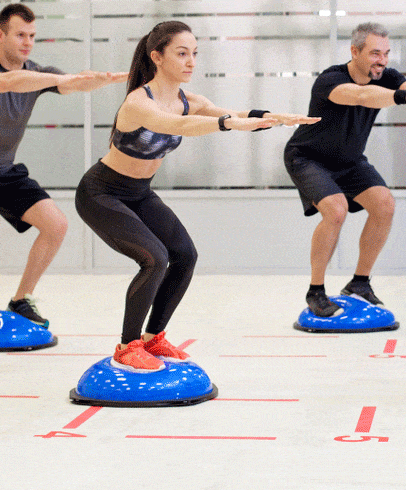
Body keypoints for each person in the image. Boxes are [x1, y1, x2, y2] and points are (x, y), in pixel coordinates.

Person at [75, 21, 317, 372]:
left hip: (139, 193)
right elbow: (181, 126)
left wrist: (273, 117)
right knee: (154, 258)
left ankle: (153, 338)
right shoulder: (138, 103)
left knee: (184, 256)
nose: (191, 61)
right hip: (101, 193)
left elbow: (233, 113)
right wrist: (228, 125)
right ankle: (127, 346)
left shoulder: (191, 100)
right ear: (157, 56)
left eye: (194, 54)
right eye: (182, 53)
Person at [0, 3, 127, 336]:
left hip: (5, 172)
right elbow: (11, 82)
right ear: (1, 35)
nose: (28, 42)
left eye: (32, 36)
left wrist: (107, 79)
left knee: (56, 225)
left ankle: (21, 298)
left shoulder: (39, 73)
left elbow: (71, 84)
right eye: (20, 35)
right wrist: (57, 78)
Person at [284, 22, 406, 317]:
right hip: (308, 157)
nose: (382, 61)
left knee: (384, 205)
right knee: (336, 210)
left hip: (349, 160)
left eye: (386, 53)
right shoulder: (330, 79)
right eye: (374, 53)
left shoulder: (387, 76)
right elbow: (361, 96)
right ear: (355, 51)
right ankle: (315, 290)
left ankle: (359, 283)